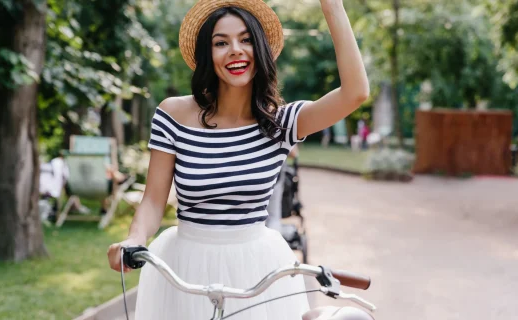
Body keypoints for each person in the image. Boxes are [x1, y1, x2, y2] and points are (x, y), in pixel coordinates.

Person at [106, 0, 369, 319]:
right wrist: (133, 239)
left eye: (246, 40)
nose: (235, 50)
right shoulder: (173, 114)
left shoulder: (280, 123)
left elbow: (355, 92)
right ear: (207, 54)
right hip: (184, 262)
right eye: (221, 42)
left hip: (258, 266)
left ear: (260, 49)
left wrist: (332, 6)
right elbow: (152, 202)